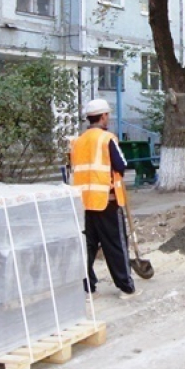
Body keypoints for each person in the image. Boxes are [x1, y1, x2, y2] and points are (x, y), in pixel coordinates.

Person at [70, 98, 138, 300]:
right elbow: (121, 164)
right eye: (107, 115)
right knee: (115, 244)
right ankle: (126, 287)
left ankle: (87, 287)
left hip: (84, 202)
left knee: (88, 246)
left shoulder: (78, 141)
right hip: (106, 201)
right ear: (103, 116)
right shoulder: (107, 139)